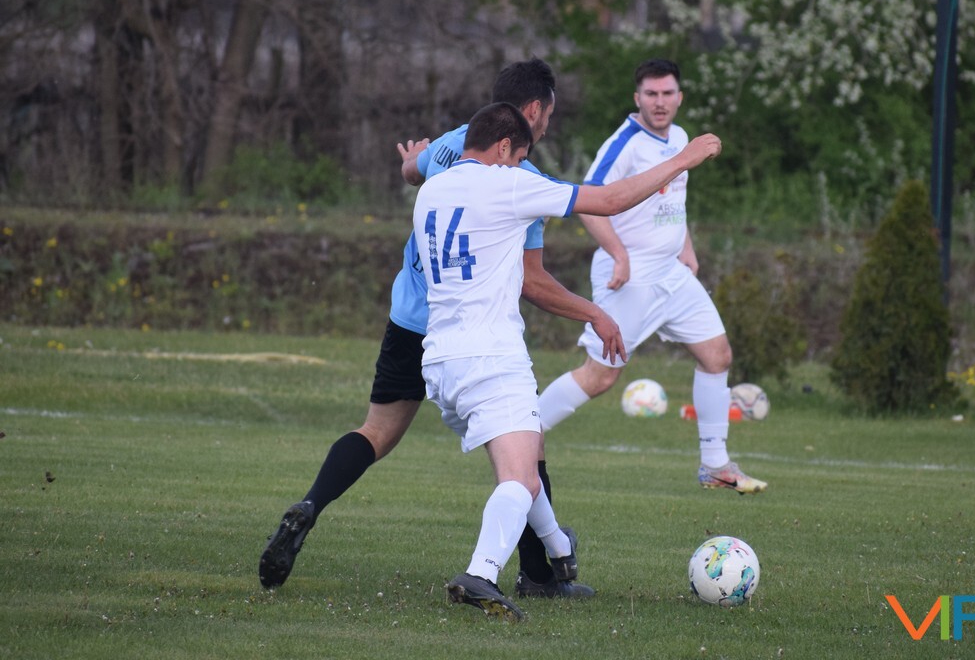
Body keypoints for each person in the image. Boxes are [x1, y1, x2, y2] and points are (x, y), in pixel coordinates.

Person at [258, 59, 619, 599]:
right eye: (548, 116)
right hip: (471, 331)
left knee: (376, 431)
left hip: (411, 319)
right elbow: (531, 280)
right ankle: (539, 576)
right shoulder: (519, 181)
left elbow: (413, 171)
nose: (547, 128)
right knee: (523, 452)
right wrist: (591, 310)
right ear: (533, 110)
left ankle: (311, 503)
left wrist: (411, 161)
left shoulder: (456, 141)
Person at [415, 101, 721, 619]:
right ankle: (481, 574)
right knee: (519, 478)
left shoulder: (431, 190)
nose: (521, 167)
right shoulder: (507, 183)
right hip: (491, 356)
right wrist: (682, 160)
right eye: (519, 158)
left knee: (525, 460)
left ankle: (559, 548)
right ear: (504, 147)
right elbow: (609, 200)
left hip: (441, 358)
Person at [536, 58, 768, 494]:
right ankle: (521, 431)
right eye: (651, 94)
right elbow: (589, 202)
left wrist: (686, 247)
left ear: (679, 97)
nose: (659, 102)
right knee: (600, 376)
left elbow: (672, 201)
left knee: (717, 355)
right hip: (630, 277)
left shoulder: (679, 139)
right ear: (637, 98)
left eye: (667, 93)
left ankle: (715, 465)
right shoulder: (624, 144)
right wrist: (619, 253)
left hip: (671, 273)